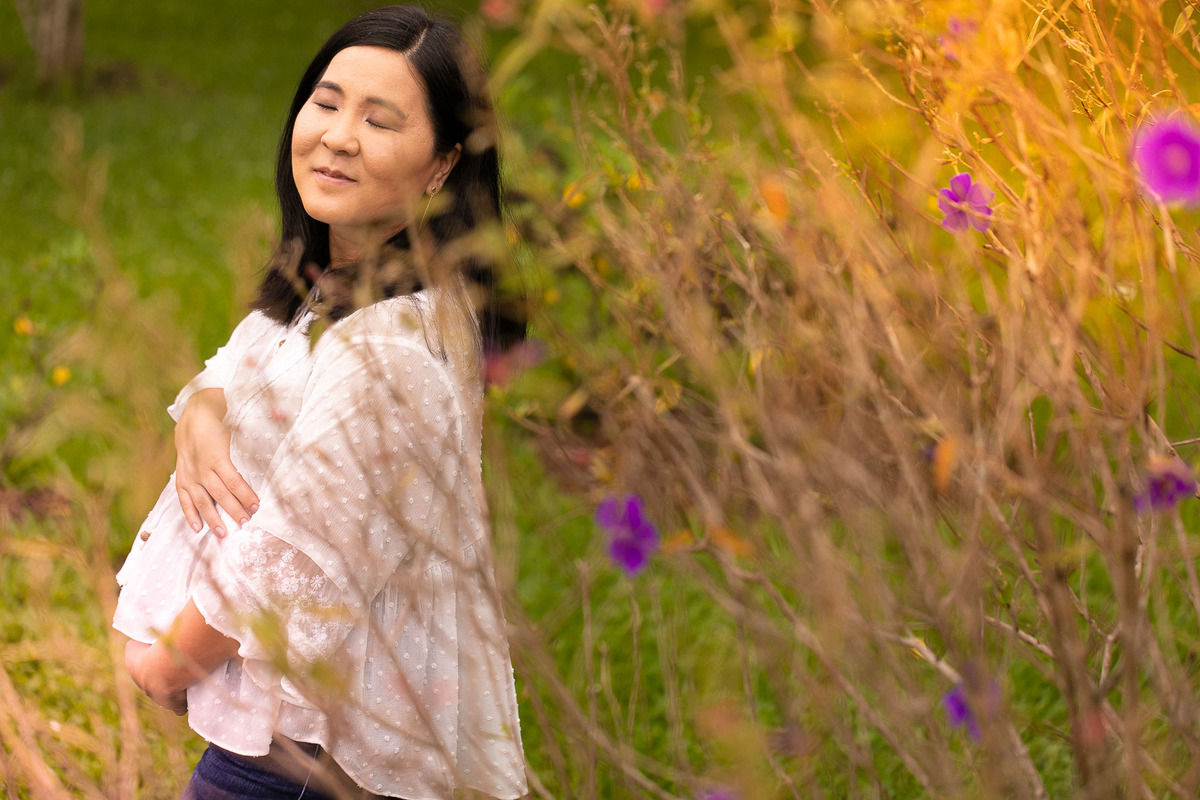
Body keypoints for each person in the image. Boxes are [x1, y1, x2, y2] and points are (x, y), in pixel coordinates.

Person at [113, 7, 528, 799]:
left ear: (441, 163)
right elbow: (240, 361)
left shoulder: (389, 352)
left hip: (301, 762)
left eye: (381, 120)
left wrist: (166, 667)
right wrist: (202, 410)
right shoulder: (337, 286)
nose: (338, 136)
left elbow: (294, 558)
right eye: (327, 102)